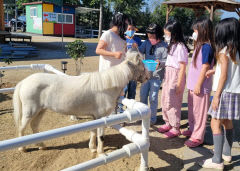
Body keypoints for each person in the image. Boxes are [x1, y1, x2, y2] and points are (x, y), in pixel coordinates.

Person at [200, 18, 240, 170]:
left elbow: (224, 76)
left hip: (223, 92)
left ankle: (217, 160)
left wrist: (216, 97)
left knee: (215, 123)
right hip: (235, 92)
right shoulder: (235, 52)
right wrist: (214, 70)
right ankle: (227, 153)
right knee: (227, 122)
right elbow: (229, 71)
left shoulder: (223, 52)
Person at [183, 18, 214, 147]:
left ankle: (198, 136)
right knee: (192, 110)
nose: (194, 33)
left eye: (196, 30)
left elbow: (205, 67)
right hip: (193, 85)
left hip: (200, 86)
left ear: (203, 31)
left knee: (199, 112)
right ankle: (192, 128)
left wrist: (198, 84)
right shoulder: (199, 45)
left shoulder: (207, 47)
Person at [157, 20, 189, 138]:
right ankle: (167, 122)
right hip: (168, 75)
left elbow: (182, 67)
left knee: (173, 102)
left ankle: (175, 127)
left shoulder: (181, 47)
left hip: (175, 76)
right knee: (165, 99)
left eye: (167, 34)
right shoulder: (172, 45)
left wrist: (179, 84)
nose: (165, 36)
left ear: (174, 33)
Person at [96, 13, 129, 113]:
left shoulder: (122, 37)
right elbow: (98, 50)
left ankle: (118, 117)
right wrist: (113, 54)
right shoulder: (107, 34)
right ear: (120, 22)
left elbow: (124, 53)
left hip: (119, 74)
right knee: (108, 97)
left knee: (120, 96)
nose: (127, 25)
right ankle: (107, 117)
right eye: (126, 23)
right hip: (108, 73)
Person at [139, 23, 168, 125]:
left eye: (152, 36)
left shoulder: (164, 46)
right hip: (146, 75)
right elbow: (140, 51)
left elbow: (167, 61)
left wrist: (160, 63)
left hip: (156, 76)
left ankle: (152, 118)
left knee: (153, 97)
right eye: (148, 35)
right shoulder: (146, 43)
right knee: (142, 95)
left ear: (158, 35)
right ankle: (142, 116)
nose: (150, 38)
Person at [124, 19, 142, 99]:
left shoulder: (138, 40)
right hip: (124, 68)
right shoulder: (122, 39)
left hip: (134, 69)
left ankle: (131, 109)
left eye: (133, 29)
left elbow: (141, 53)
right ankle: (120, 108)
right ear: (125, 29)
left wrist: (137, 48)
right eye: (129, 29)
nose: (131, 31)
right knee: (123, 89)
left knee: (132, 90)